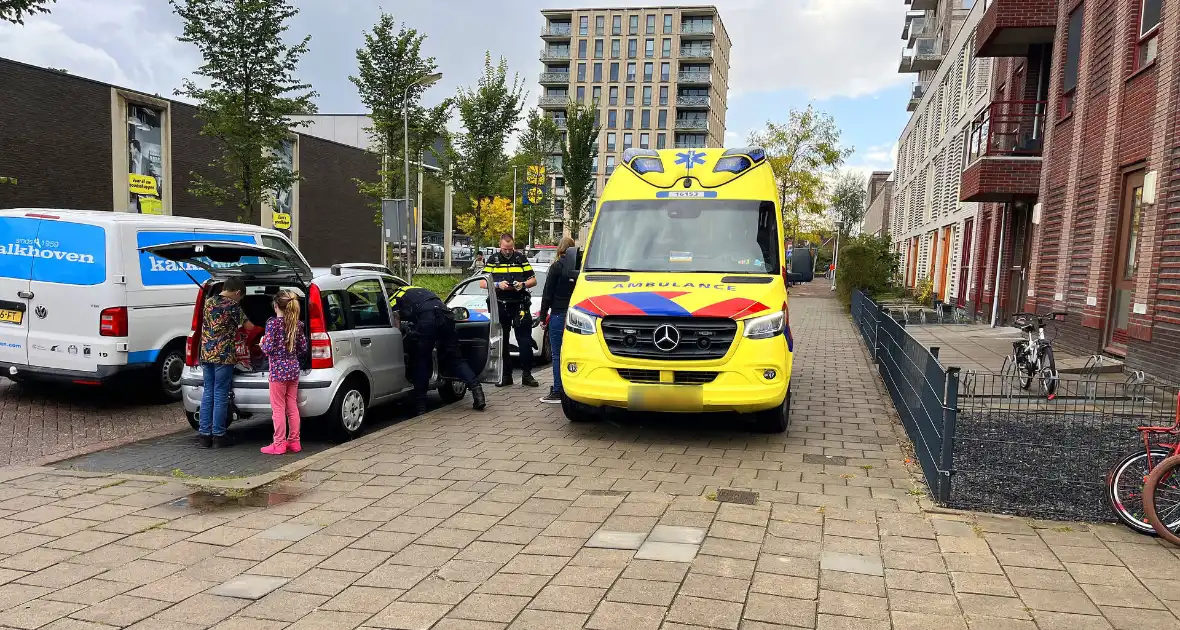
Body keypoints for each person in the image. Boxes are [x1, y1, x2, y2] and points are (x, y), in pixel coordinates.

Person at [389, 284, 487, 416]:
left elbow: (395, 320)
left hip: (427, 319)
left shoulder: (394, 297)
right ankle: (477, 391)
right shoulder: (416, 289)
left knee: (421, 360)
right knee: (455, 359)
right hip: (446, 315)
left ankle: (420, 407)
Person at [198, 277, 254, 448]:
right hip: (223, 355)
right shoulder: (232, 305)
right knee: (221, 393)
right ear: (237, 293)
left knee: (208, 392)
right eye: (241, 297)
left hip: (206, 353)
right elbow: (249, 327)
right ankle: (219, 436)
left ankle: (204, 435)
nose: (240, 300)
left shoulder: (208, 301)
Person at [484, 234, 538, 388]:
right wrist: (497, 285)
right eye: (504, 249)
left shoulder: (520, 258)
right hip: (501, 304)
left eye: (510, 249)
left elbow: (533, 280)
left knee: (525, 341)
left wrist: (523, 284)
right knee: (503, 341)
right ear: (499, 246)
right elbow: (482, 282)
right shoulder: (493, 260)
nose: (507, 252)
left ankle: (527, 375)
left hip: (520, 304)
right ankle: (506, 375)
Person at [259, 290, 308, 455]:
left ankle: (278, 444)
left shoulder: (273, 324)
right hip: (293, 369)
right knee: (292, 406)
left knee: (278, 409)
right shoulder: (298, 325)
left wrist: (262, 342)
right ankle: (295, 442)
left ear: (275, 306)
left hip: (278, 372)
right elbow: (303, 349)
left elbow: (268, 349)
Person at [537, 237, 578, 403]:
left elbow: (547, 294)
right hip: (575, 316)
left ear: (560, 249)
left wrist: (542, 316)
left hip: (558, 314)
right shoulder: (579, 268)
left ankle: (557, 390)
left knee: (557, 354)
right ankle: (573, 388)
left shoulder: (556, 267)